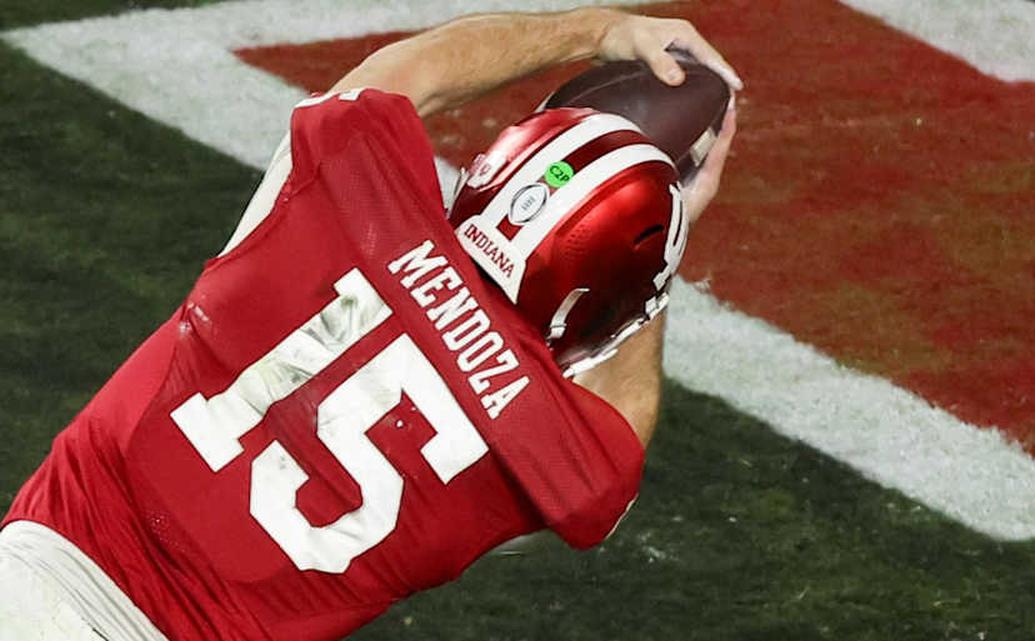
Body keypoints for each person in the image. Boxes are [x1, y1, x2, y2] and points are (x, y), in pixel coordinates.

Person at [0, 7, 739, 641]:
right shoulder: (551, 448)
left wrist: (599, 30)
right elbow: (622, 428)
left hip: (35, 575)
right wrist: (657, 242)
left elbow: (409, 72)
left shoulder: (343, 191)